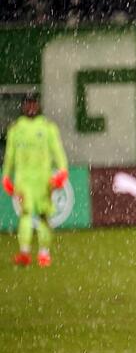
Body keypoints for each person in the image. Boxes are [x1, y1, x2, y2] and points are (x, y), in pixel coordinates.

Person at [2, 93, 68, 268]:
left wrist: (63, 171)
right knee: (25, 213)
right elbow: (9, 155)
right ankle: (24, 252)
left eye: (33, 104)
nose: (31, 107)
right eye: (28, 104)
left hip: (43, 180)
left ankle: (44, 254)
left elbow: (58, 151)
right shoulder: (15, 129)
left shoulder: (48, 128)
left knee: (44, 215)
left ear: (38, 106)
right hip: (23, 179)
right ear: (23, 107)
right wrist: (6, 176)